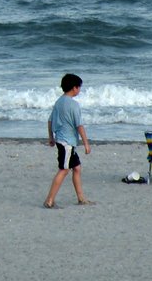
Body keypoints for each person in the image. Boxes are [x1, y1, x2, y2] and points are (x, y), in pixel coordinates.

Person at [43, 73, 93, 208]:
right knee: (64, 170)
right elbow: (79, 126)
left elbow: (50, 120)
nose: (80, 90)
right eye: (79, 87)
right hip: (67, 143)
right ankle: (49, 200)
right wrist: (86, 144)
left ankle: (81, 198)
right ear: (74, 88)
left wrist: (51, 137)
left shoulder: (59, 102)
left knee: (76, 168)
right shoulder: (73, 104)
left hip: (61, 140)